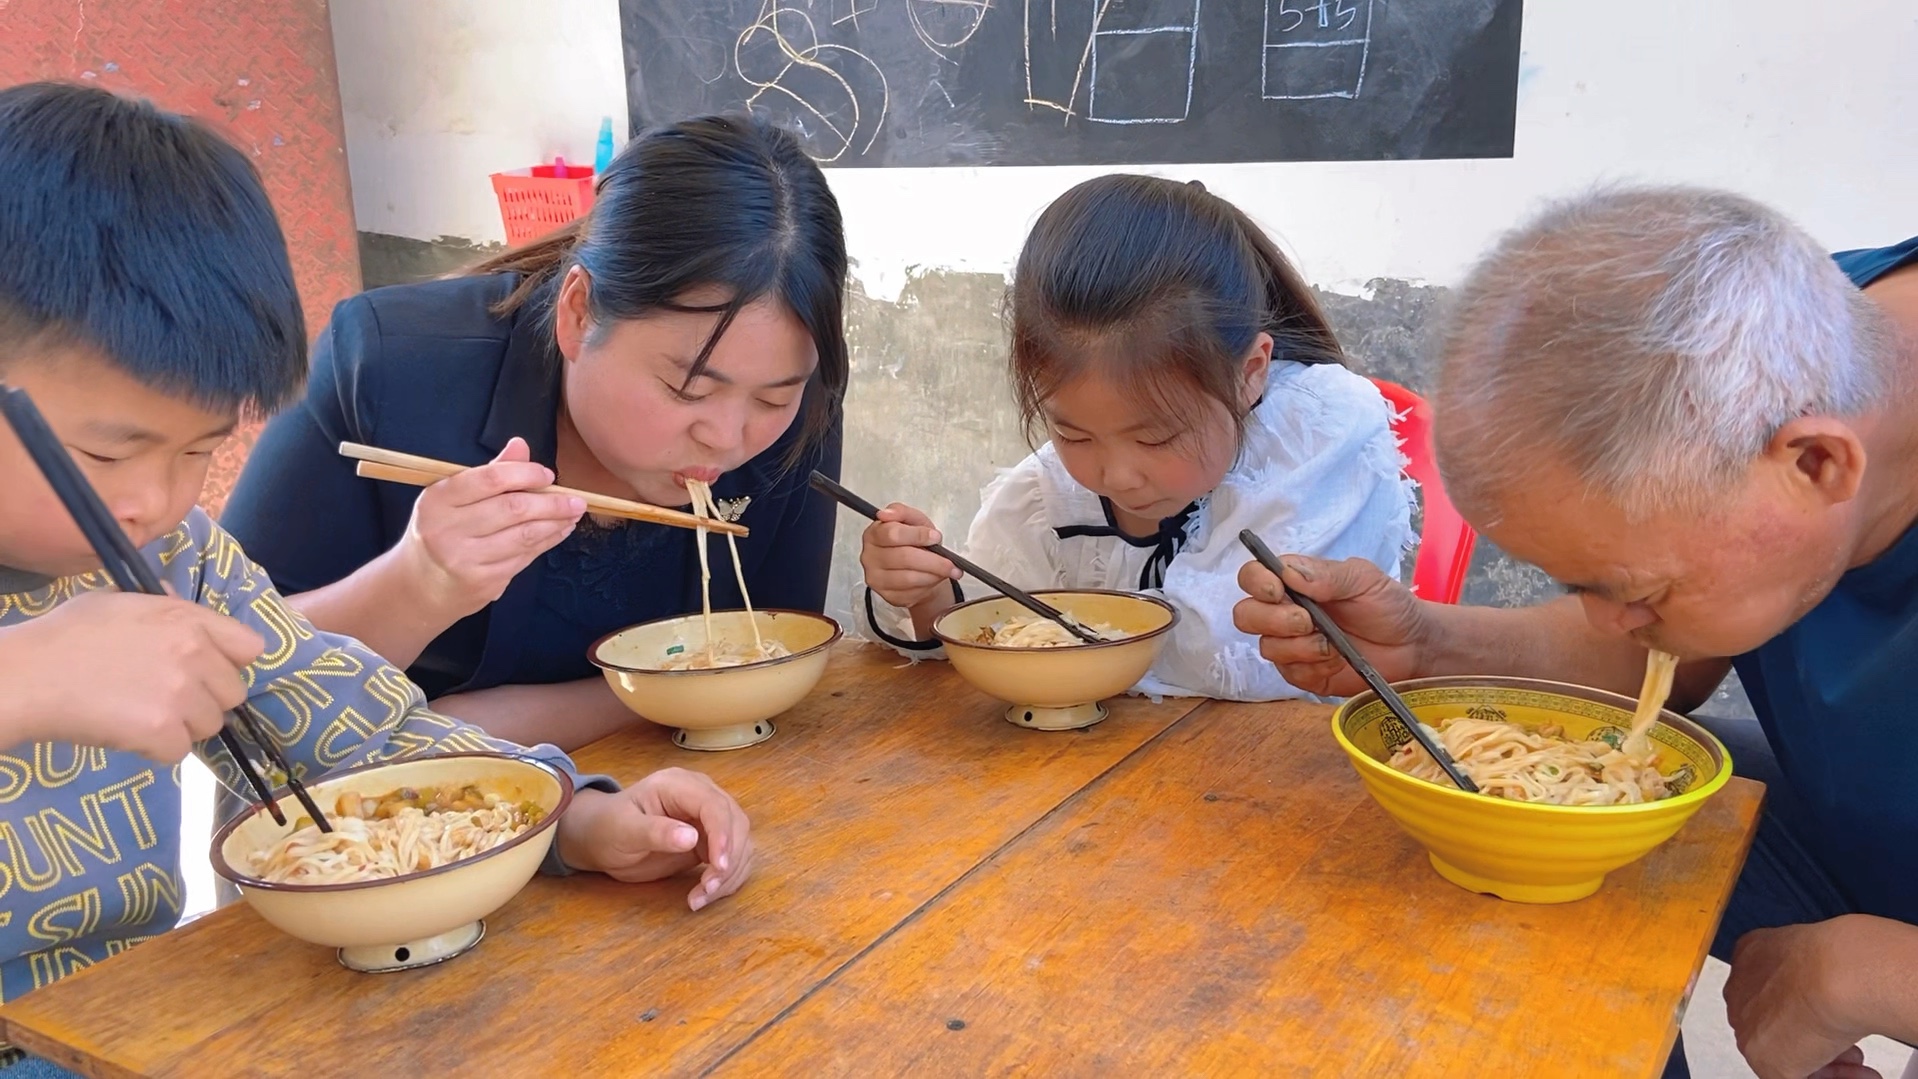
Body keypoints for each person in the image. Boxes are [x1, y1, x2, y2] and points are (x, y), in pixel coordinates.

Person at [0, 83, 754, 1072]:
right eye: (108, 452)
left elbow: (359, 735)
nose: (153, 499)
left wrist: (571, 814)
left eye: (195, 452)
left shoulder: (176, 560)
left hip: (118, 1025)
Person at [1232, 186, 1918, 1079]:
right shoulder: (1789, 345)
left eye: (1637, 588)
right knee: (1549, 820)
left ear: (1817, 463)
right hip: (1861, 824)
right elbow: (1663, 660)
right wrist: (1428, 646)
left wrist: (1865, 973)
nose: (1613, 618)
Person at [222, 113, 848, 751]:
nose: (728, 436)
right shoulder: (390, 366)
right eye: (688, 388)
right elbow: (215, 669)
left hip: (672, 809)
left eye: (775, 396)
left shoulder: (799, 410)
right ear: (579, 314)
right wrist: (416, 585)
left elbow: (768, 665)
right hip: (373, 826)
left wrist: (488, 723)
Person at [857, 175, 1413, 700]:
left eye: (1157, 437)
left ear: (1250, 373)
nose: (1117, 475)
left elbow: (1233, 655)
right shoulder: (1046, 493)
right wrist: (925, 592)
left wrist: (1038, 638)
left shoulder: (1316, 432)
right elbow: (995, 625)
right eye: (1072, 433)